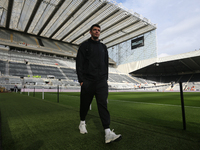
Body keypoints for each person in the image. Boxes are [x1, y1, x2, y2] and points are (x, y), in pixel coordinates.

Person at [76, 24, 122, 144]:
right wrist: (81, 80)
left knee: (103, 105)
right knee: (85, 104)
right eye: (95, 30)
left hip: (101, 81)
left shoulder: (103, 47)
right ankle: (82, 123)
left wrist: (105, 78)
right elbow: (79, 64)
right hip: (88, 81)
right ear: (90, 32)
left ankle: (107, 132)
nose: (97, 32)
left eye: (99, 30)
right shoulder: (84, 46)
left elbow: (105, 63)